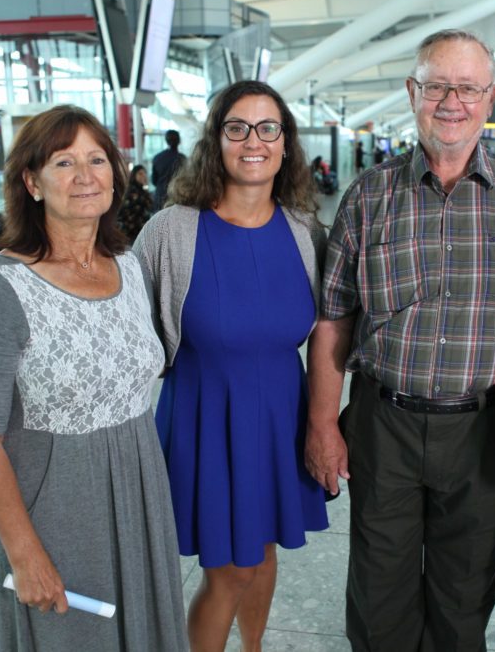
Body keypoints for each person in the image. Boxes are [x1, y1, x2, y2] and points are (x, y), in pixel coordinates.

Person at [306, 29, 495, 650]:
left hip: (486, 430)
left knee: (464, 595)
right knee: (378, 593)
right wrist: (322, 425)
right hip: (382, 424)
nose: (452, 101)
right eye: (437, 85)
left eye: (467, 87)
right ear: (413, 91)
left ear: (491, 96)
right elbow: (334, 318)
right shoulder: (369, 196)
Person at [0, 105, 188, 651]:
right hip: (56, 505)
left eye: (97, 159)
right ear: (32, 182)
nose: (85, 176)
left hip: (138, 487)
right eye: (64, 162)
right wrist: (23, 551)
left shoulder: (128, 266)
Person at [133, 80, 329, 652]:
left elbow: (328, 332)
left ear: (286, 143)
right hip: (205, 417)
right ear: (215, 140)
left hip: (278, 420)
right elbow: (123, 325)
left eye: (269, 128)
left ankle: (253, 648)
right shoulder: (172, 232)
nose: (253, 141)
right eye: (237, 127)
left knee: (263, 554)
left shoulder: (304, 233)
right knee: (231, 569)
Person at [116, 163, 154, 242]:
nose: (143, 176)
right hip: (132, 234)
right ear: (134, 175)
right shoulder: (133, 192)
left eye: (145, 173)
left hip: (139, 233)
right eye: (140, 173)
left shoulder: (141, 191)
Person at [151, 129, 185, 210]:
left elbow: (154, 181)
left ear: (166, 141)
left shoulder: (157, 158)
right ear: (179, 141)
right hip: (178, 197)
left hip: (160, 196)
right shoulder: (183, 159)